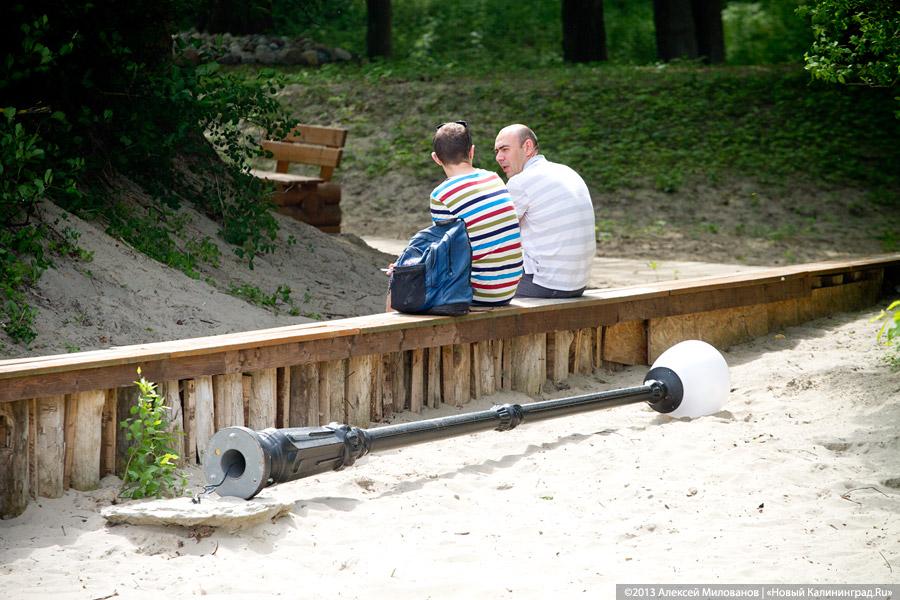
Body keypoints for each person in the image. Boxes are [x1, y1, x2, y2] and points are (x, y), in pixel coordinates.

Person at [494, 124, 596, 298]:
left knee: (473, 287)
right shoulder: (567, 172)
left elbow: (496, 236)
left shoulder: (520, 182)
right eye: (496, 152)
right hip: (578, 284)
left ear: (527, 147)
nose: (499, 157)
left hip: (546, 284)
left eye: (505, 149)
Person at [429, 120, 523, 306]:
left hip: (479, 292)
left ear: (436, 158)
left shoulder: (440, 195)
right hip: (510, 287)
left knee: (400, 281)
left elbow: (444, 252)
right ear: (471, 151)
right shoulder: (494, 178)